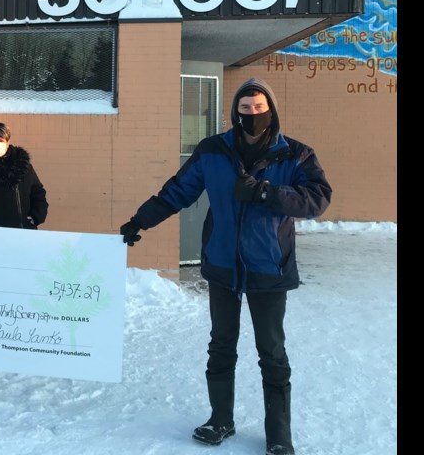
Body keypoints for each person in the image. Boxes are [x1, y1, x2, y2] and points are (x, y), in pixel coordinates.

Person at [118, 78, 331, 455]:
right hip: (222, 266)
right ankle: (220, 420)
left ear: (271, 110)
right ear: (235, 111)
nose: (252, 114)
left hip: (269, 267)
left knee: (272, 351)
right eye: (245, 108)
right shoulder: (213, 151)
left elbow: (316, 200)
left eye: (259, 107)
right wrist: (140, 221)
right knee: (221, 345)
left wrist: (267, 192)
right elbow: (176, 191)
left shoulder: (295, 154)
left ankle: (279, 434)